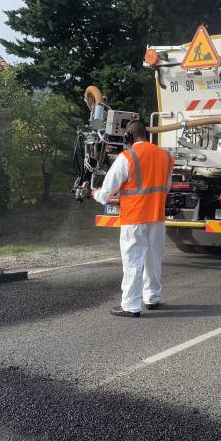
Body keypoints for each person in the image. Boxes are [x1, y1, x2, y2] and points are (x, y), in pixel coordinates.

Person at [94, 121, 174, 318]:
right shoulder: (166, 156)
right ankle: (152, 298)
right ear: (145, 133)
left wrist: (97, 193)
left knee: (132, 262)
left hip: (135, 218)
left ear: (128, 137)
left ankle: (130, 305)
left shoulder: (127, 157)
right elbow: (165, 187)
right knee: (153, 259)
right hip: (156, 217)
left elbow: (106, 192)